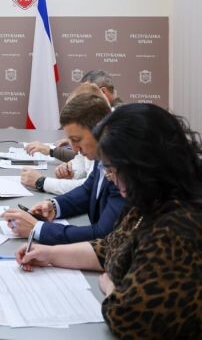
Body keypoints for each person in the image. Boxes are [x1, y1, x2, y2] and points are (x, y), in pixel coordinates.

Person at [17, 104, 202, 339]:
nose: (110, 179)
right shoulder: (151, 200)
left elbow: (128, 317)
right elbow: (109, 247)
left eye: (113, 170)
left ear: (143, 166)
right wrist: (49, 254)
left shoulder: (176, 228)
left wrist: (111, 286)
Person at [2, 93, 125, 245]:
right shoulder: (100, 156)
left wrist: (37, 228)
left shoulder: (121, 169)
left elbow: (102, 234)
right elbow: (87, 191)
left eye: (76, 140)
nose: (74, 149)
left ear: (99, 130)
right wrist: (54, 206)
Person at [22, 83, 106, 194]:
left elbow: (88, 188)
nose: (74, 148)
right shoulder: (94, 140)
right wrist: (71, 171)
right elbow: (82, 164)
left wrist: (42, 182)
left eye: (76, 139)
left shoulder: (111, 145)